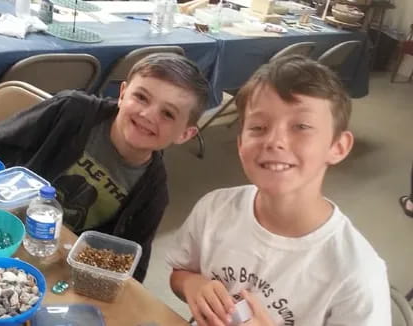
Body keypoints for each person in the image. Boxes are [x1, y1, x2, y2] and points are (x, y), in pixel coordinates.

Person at [166, 55, 391, 325]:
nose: (274, 141)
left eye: (302, 127)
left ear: (338, 147)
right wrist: (194, 285)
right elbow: (181, 272)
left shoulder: (357, 273)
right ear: (240, 144)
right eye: (259, 127)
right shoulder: (214, 208)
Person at [0, 53, 209, 282]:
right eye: (141, 97)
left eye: (167, 114)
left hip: (55, 269)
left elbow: (131, 268)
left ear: (185, 134)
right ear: (122, 93)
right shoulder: (71, 110)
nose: (147, 114)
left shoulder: (153, 193)